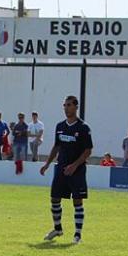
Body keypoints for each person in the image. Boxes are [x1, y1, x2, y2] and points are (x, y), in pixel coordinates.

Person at [40, 95, 93, 245]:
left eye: (69, 105)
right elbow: (56, 146)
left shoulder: (83, 128)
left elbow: (88, 150)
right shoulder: (60, 126)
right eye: (64, 105)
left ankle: (77, 235)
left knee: (77, 201)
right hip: (61, 168)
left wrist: (75, 165)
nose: (66, 108)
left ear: (76, 107)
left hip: (77, 170)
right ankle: (57, 229)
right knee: (54, 199)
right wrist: (47, 164)